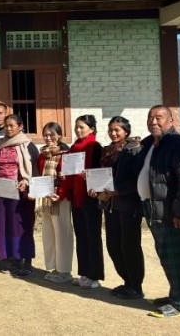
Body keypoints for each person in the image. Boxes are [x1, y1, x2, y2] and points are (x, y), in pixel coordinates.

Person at [139, 105, 180, 318]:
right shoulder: (152, 143)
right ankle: (178, 294)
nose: (153, 121)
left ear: (171, 121)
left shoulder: (177, 144)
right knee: (165, 254)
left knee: (177, 256)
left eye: (159, 118)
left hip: (171, 211)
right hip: (154, 207)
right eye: (150, 117)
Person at [98, 116, 145, 300]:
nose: (113, 133)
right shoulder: (108, 151)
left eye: (117, 130)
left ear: (126, 131)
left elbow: (138, 179)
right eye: (111, 129)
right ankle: (127, 281)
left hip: (128, 205)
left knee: (130, 246)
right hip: (110, 206)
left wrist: (118, 191)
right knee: (113, 245)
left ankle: (136, 285)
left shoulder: (134, 150)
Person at [0, 114, 38, 277]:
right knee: (3, 223)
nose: (8, 129)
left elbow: (35, 170)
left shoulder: (28, 145)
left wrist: (27, 181)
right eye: (6, 126)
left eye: (12, 126)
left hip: (20, 193)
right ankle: (7, 257)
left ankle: (24, 260)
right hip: (2, 191)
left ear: (21, 126)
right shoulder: (0, 144)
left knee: (20, 226)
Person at [34, 122, 72, 283]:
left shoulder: (65, 153)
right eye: (46, 135)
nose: (48, 138)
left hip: (59, 199)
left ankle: (64, 271)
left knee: (62, 234)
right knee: (49, 234)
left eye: (52, 135)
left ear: (59, 136)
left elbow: (68, 178)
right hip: (45, 198)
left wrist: (60, 194)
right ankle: (53, 267)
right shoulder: (42, 154)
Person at [69, 115, 104, 289]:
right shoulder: (73, 148)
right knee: (81, 236)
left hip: (90, 198)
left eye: (82, 127)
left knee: (93, 236)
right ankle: (84, 273)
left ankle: (95, 275)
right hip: (77, 197)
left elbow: (101, 172)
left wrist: (89, 176)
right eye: (76, 127)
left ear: (91, 129)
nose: (78, 130)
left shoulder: (95, 147)